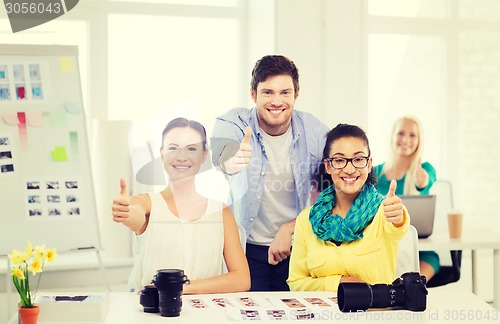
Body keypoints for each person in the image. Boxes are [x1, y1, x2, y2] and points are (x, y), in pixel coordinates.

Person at [210, 55, 329, 291]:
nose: (277, 101)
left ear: (296, 95)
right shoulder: (234, 122)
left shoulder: (314, 131)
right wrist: (230, 159)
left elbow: (335, 187)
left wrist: (290, 227)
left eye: (285, 92)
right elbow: (221, 149)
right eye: (268, 92)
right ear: (253, 95)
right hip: (246, 251)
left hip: (297, 248)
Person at [112, 117, 250, 294]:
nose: (181, 157)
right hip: (153, 316)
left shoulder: (221, 212)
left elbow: (241, 279)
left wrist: (182, 288)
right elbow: (135, 214)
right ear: (162, 154)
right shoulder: (147, 203)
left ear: (204, 155)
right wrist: (126, 212)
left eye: (191, 149)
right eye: (173, 148)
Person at [287, 123, 409, 291]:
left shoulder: (384, 211)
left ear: (369, 164)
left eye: (358, 159)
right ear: (328, 166)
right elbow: (296, 283)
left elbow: (399, 227)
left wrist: (399, 215)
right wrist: (337, 283)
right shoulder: (306, 220)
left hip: (375, 314)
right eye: (339, 160)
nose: (350, 169)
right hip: (323, 315)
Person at [373, 115, 439, 280]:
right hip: (382, 245)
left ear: (419, 140)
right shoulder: (374, 172)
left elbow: (426, 180)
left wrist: (421, 181)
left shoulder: (425, 170)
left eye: (412, 135)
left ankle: (412, 288)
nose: (406, 140)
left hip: (418, 249)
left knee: (428, 262)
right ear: (392, 136)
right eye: (401, 133)